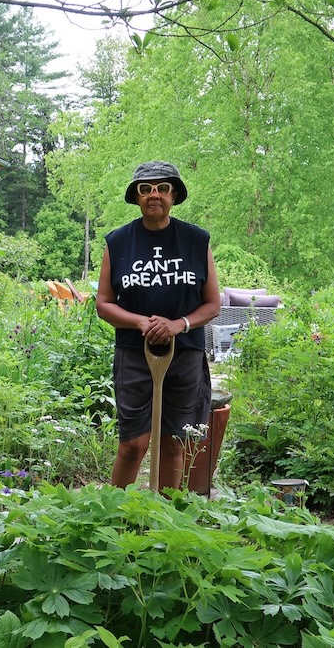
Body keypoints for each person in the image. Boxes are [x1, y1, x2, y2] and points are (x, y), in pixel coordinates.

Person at [96, 161, 221, 490]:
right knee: (132, 446)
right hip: (135, 354)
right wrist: (141, 322)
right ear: (136, 197)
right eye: (146, 188)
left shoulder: (196, 241)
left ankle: (165, 521)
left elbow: (212, 304)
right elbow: (103, 304)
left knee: (173, 443)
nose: (154, 195)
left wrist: (178, 324)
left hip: (185, 354)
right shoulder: (119, 242)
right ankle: (113, 516)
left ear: (174, 195)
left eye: (163, 188)